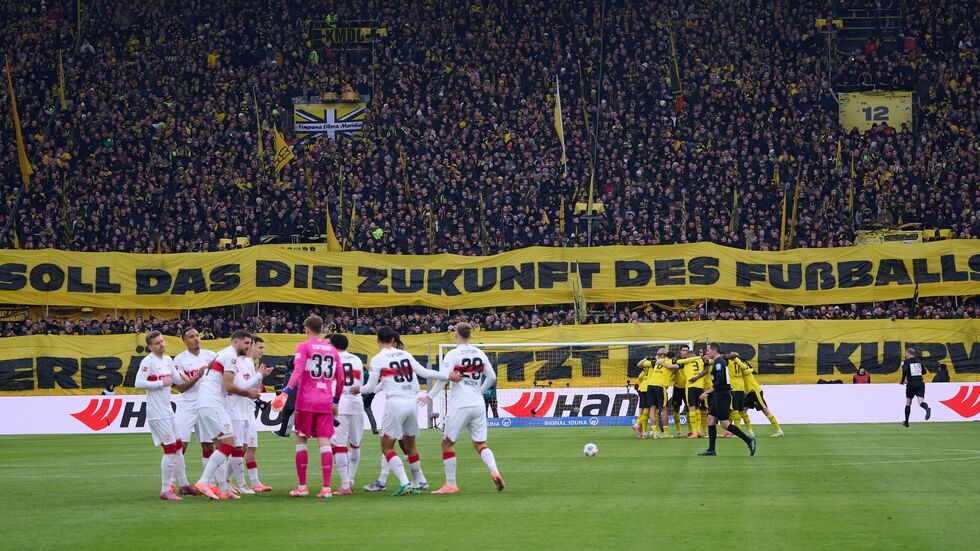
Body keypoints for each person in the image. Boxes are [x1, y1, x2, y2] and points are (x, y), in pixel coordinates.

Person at [351, 325, 457, 496]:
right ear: (393, 340)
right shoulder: (405, 354)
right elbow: (425, 372)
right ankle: (416, 483)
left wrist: (359, 389)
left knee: (386, 447)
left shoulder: (378, 359)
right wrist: (448, 376)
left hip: (395, 403)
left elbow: (370, 387)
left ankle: (405, 482)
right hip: (411, 403)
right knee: (410, 446)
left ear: (377, 340)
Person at [421, 322, 504, 494]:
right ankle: (494, 471)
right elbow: (492, 377)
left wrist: (429, 395)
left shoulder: (453, 354)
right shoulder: (480, 353)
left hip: (460, 404)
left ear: (456, 335)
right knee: (480, 443)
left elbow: (444, 378)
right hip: (478, 404)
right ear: (470, 335)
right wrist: (479, 391)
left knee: (447, 443)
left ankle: (451, 484)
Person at [271, 315, 344, 498]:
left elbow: (297, 371)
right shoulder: (332, 350)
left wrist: (286, 391)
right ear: (322, 329)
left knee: (302, 440)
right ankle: (326, 488)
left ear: (306, 329)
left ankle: (302, 486)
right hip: (325, 401)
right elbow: (341, 380)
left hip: (306, 401)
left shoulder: (304, 347)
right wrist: (335, 401)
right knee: (324, 441)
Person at [193, 330, 259, 500]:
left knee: (220, 446)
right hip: (213, 404)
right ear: (235, 342)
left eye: (250, 344)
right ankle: (204, 481)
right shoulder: (230, 356)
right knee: (229, 444)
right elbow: (229, 387)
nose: (248, 347)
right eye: (246, 343)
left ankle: (222, 489)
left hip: (206, 403)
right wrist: (248, 393)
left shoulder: (221, 354)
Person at [134, 331, 198, 501]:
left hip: (168, 410)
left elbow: (176, 380)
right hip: (157, 413)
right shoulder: (148, 361)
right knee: (170, 449)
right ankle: (165, 489)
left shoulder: (168, 360)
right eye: (157, 343)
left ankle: (184, 485)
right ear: (150, 347)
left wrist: (187, 377)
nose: (161, 345)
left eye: (162, 341)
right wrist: (160, 383)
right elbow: (138, 383)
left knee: (178, 447)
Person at [690, 343, 756, 456]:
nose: (707, 352)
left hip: (722, 395)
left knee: (725, 424)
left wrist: (706, 392)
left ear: (715, 351)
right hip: (717, 395)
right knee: (711, 420)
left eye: (709, 350)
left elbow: (720, 381)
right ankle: (711, 449)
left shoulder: (719, 363)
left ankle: (749, 441)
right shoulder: (717, 362)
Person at [328, 333, 367, 496]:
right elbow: (362, 382)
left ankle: (344, 485)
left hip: (340, 405)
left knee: (340, 446)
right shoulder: (356, 359)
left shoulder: (330, 359)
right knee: (355, 444)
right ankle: (351, 480)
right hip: (357, 403)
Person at [172, 328, 215, 474]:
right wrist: (197, 376)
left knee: (208, 445)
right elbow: (181, 388)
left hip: (206, 405)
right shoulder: (179, 359)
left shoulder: (211, 356)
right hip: (187, 405)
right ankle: (174, 482)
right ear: (184, 341)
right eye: (191, 337)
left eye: (197, 336)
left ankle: (208, 482)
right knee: (180, 445)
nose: (196, 339)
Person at [236, 336, 273, 493]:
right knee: (243, 447)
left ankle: (254, 482)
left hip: (249, 409)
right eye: (260, 347)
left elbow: (254, 387)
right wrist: (259, 376)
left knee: (249, 447)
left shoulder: (251, 364)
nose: (262, 351)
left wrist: (261, 376)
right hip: (239, 409)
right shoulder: (241, 363)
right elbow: (244, 386)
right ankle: (241, 482)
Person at [736, 356, 783, 437]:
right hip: (749, 392)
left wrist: (739, 362)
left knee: (765, 410)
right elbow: (749, 370)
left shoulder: (742, 364)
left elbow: (746, 372)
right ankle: (749, 431)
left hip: (754, 391)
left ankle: (779, 430)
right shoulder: (739, 366)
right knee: (742, 411)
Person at [647, 348, 677, 439]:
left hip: (650, 385)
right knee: (664, 408)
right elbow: (675, 367)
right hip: (660, 386)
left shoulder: (657, 361)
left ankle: (655, 433)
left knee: (652, 408)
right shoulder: (670, 361)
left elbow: (640, 364)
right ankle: (666, 433)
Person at [900, 347, 932, 427]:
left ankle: (906, 421)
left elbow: (905, 371)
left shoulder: (905, 362)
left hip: (911, 384)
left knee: (908, 403)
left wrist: (902, 381)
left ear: (908, 353)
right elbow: (924, 372)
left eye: (906, 353)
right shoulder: (919, 361)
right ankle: (927, 408)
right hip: (920, 383)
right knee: (921, 402)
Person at [631, 357, 652, 438]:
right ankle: (638, 425)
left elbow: (640, 376)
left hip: (641, 389)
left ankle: (642, 431)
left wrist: (641, 383)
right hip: (647, 389)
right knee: (647, 410)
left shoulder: (645, 368)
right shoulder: (651, 367)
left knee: (642, 410)